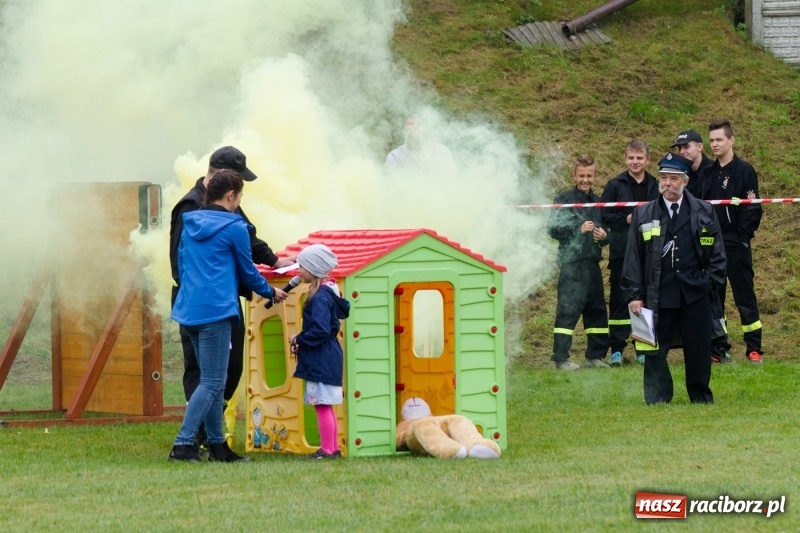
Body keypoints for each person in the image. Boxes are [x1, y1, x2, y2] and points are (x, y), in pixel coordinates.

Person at [169, 146, 294, 447]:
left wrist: (275, 260)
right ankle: (188, 440)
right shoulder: (190, 207)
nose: (240, 197)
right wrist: (267, 289)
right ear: (229, 187)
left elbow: (247, 238)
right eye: (240, 187)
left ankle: (215, 443)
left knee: (225, 371)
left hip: (203, 302)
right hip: (211, 304)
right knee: (207, 377)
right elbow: (182, 262)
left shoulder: (223, 211)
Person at [621, 153, 726, 404]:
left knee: (699, 350)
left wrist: (707, 283)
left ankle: (700, 396)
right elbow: (633, 258)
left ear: (685, 181)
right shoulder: (644, 213)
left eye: (674, 179)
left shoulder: (705, 211)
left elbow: (718, 256)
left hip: (695, 292)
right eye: (664, 178)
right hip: (658, 293)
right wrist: (635, 295)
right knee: (654, 349)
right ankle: (658, 397)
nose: (668, 183)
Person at [699, 119, 764, 364]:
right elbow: (701, 209)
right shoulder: (707, 172)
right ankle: (719, 347)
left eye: (719, 140)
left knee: (744, 295)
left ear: (731, 140)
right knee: (714, 296)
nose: (714, 144)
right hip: (711, 244)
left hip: (736, 242)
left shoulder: (745, 170)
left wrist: (742, 236)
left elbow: (753, 206)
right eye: (712, 140)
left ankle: (754, 348)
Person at [547, 155, 611, 370]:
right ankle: (561, 358)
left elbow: (610, 230)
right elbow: (552, 230)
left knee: (597, 311)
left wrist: (605, 236)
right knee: (567, 311)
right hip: (571, 265)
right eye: (581, 175)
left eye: (589, 176)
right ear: (574, 175)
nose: (585, 180)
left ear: (595, 176)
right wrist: (578, 229)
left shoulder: (598, 202)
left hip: (592, 265)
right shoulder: (563, 200)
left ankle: (596, 357)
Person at [600, 140, 659, 366]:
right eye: (631, 158)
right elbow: (604, 216)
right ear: (625, 159)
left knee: (644, 300)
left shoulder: (655, 184)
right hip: (621, 252)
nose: (635, 162)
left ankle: (642, 348)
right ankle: (616, 349)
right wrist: (624, 219)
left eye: (640, 158)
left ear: (647, 160)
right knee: (619, 300)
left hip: (648, 253)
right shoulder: (615, 185)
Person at [289, 244, 351, 458]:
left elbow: (321, 330)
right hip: (328, 355)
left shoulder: (320, 297)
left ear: (314, 269)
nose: (299, 271)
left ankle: (326, 449)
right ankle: (332, 448)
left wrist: (299, 338)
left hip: (321, 358)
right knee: (326, 405)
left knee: (322, 405)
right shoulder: (328, 292)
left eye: (303, 267)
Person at [384, 117, 454, 170]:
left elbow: (451, 180)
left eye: (415, 129)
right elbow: (391, 184)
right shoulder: (395, 157)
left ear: (425, 131)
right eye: (407, 130)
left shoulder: (441, 151)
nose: (410, 133)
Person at [670, 129, 714, 198]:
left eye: (686, 147)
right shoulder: (679, 172)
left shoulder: (715, 170)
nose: (681, 152)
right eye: (679, 148)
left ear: (700, 147)